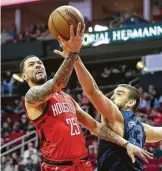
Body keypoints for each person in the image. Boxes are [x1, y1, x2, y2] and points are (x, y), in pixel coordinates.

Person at [21, 23, 152, 171]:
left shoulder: (67, 98)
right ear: (24, 76)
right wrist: (73, 53)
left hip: (83, 164)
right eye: (31, 65)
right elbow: (57, 83)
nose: (38, 65)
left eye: (39, 63)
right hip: (58, 168)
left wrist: (126, 144)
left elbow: (95, 127)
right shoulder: (31, 98)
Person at [54, 32, 162, 171]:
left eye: (119, 94)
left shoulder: (115, 115)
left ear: (130, 103)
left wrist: (75, 57)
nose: (112, 96)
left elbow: (93, 91)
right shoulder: (144, 129)